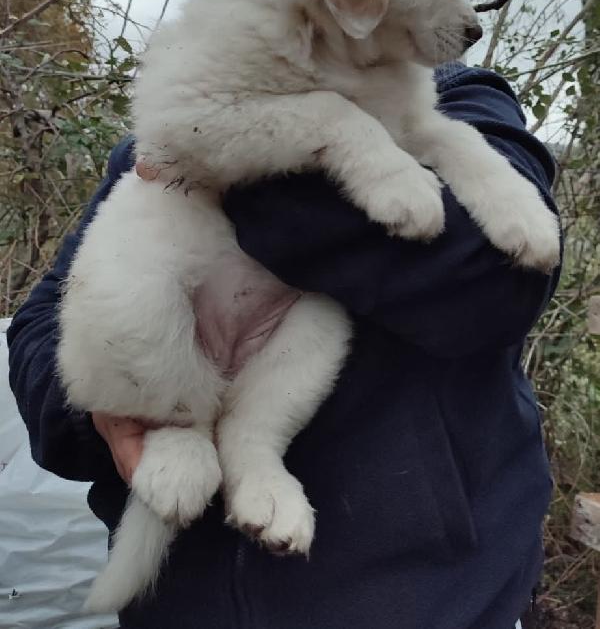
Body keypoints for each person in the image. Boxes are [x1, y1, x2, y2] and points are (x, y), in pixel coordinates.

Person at [7, 60, 559, 629]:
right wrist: (113, 410)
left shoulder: (453, 98)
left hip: (423, 603)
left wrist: (234, 169)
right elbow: (44, 322)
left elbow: (500, 279)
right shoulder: (153, 147)